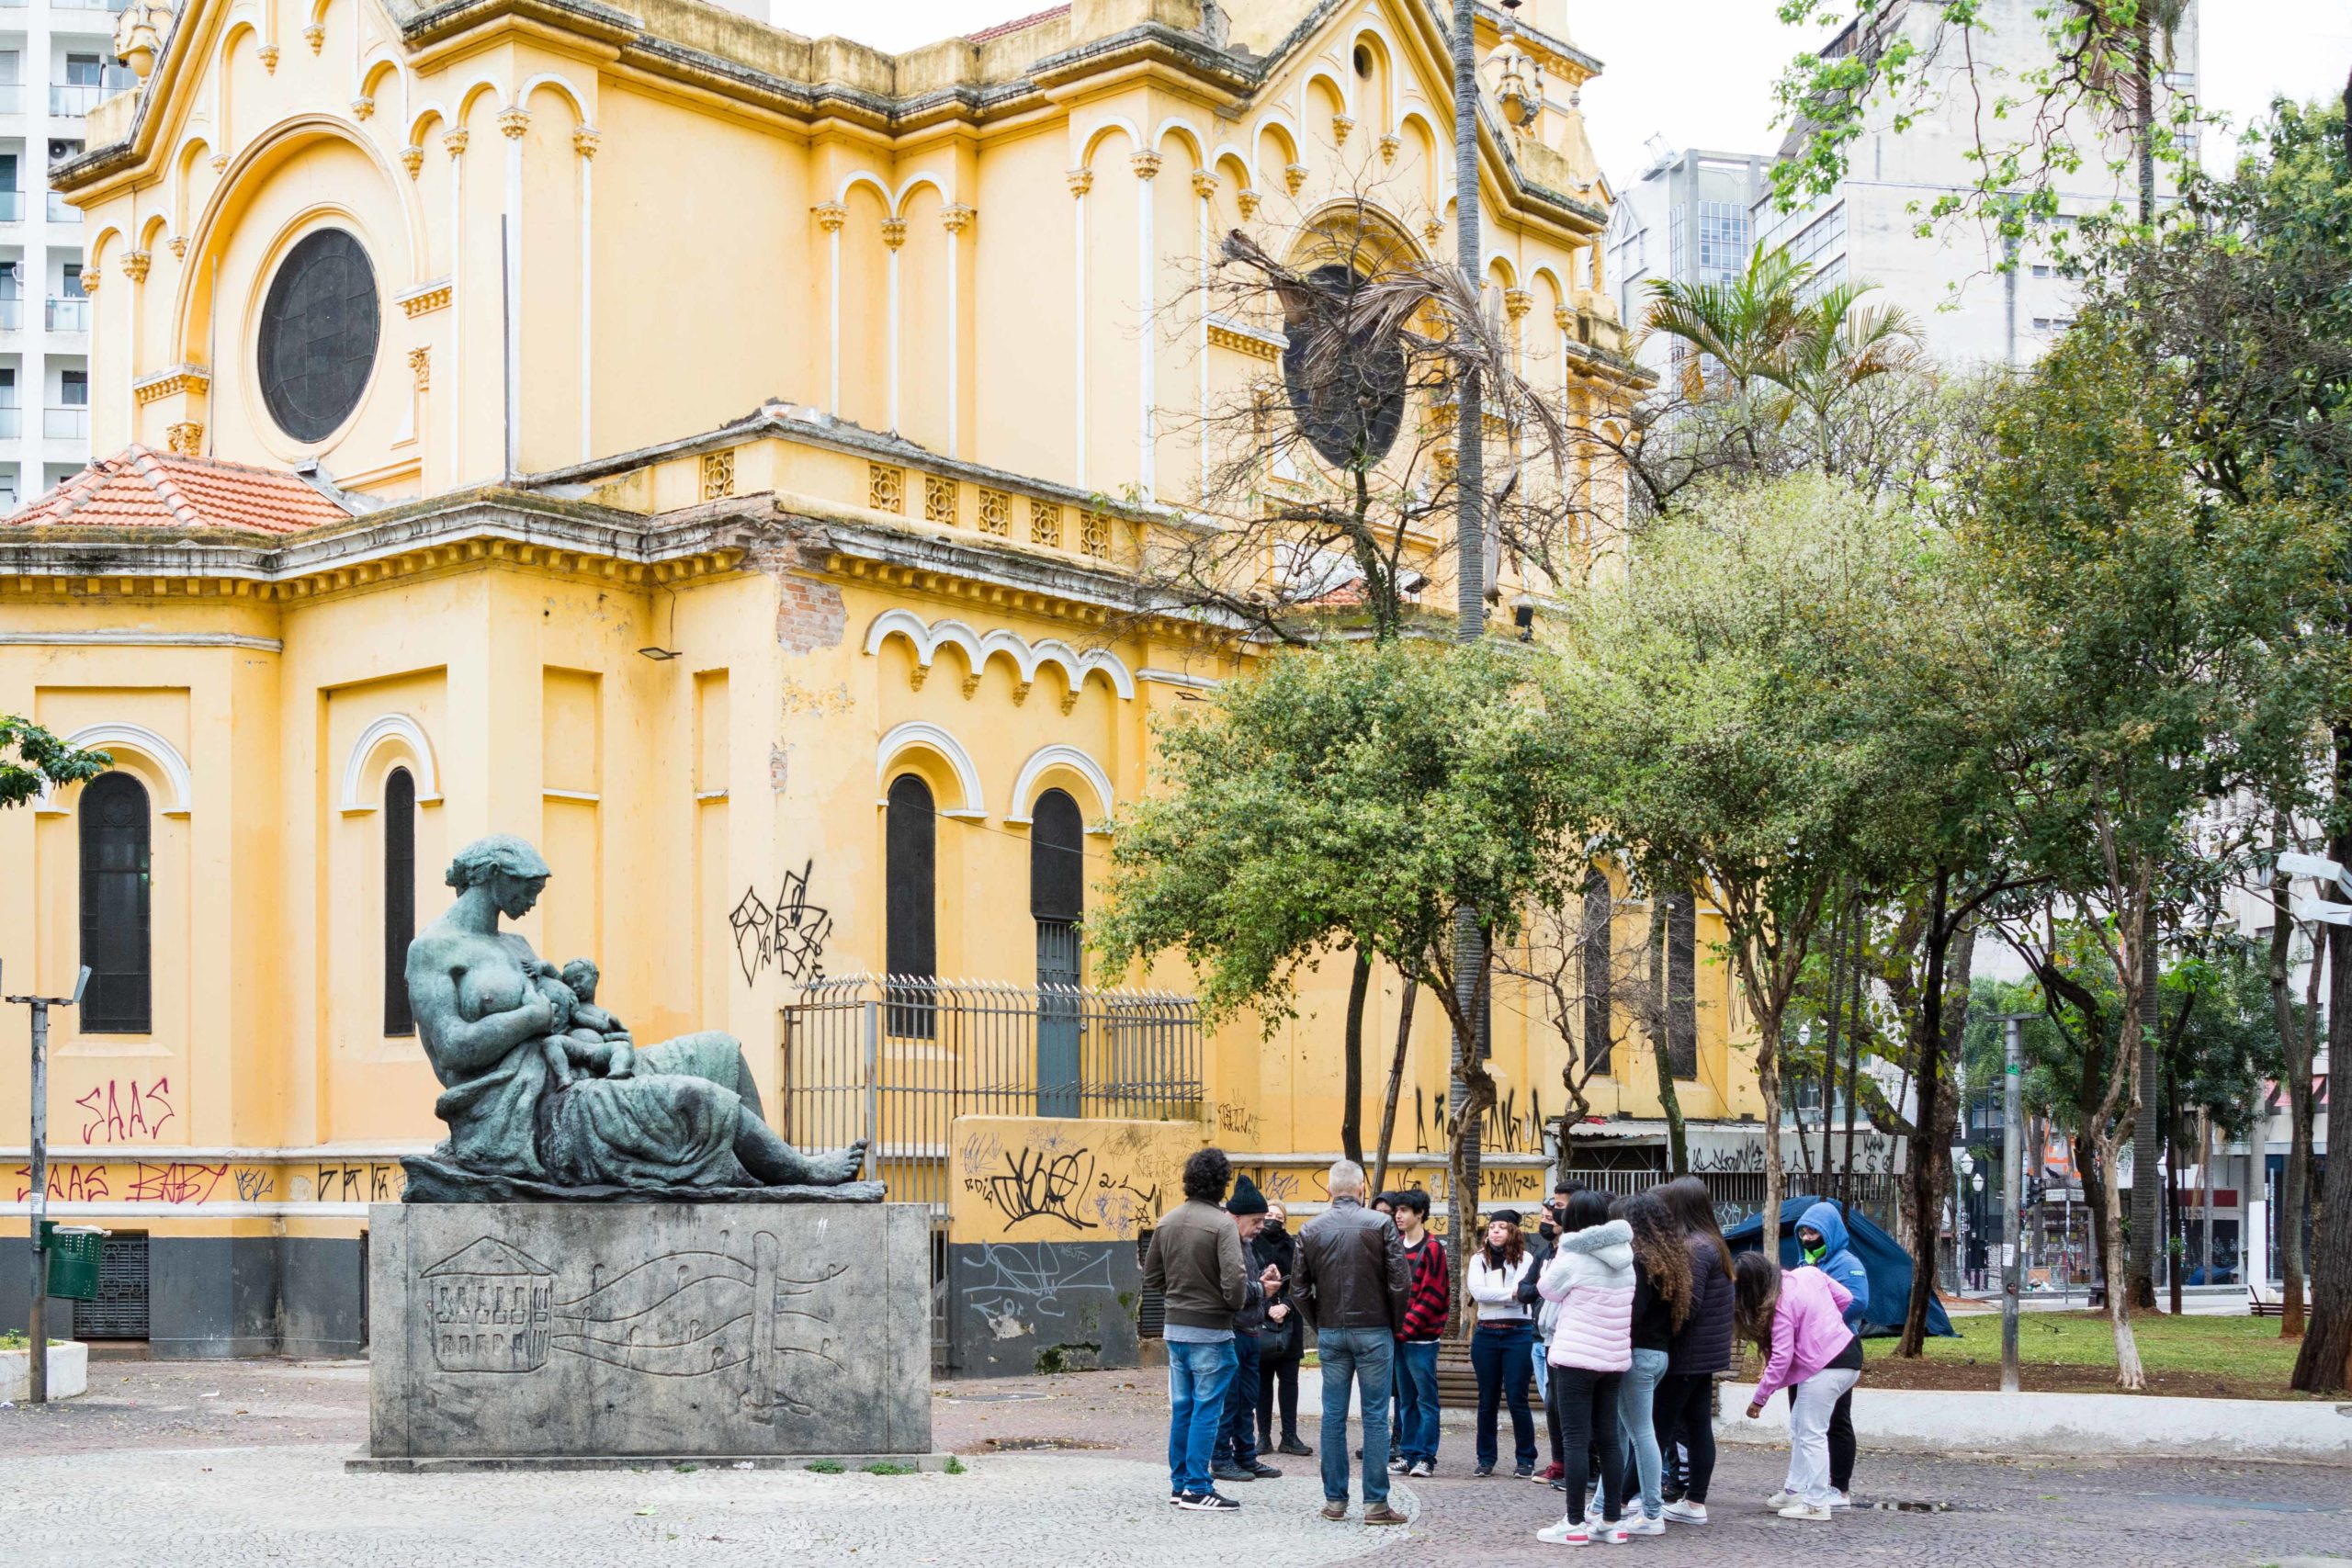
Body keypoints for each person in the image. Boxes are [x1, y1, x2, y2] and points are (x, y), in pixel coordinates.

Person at [1140, 1147, 1272, 1512]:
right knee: (1207, 1409)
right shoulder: (1221, 1225)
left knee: (1183, 1408)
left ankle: (1180, 1483)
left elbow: (1152, 1276)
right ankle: (1198, 1487)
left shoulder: (1167, 1221)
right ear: (1222, 1184)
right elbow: (1234, 1282)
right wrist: (1229, 1303)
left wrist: (1179, 1296)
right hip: (1211, 1330)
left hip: (1175, 1328)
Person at [1292, 1158, 1411, 1526]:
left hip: (1332, 1329)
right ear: (1362, 1188)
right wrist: (1393, 1323)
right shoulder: (1381, 1224)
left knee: (1333, 1416)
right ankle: (1375, 1504)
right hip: (1374, 1328)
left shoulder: (1310, 1229)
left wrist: (1320, 1323)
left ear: (1329, 1189)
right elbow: (1400, 1282)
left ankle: (1335, 1501)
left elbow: (1298, 1290)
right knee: (1375, 1417)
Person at [1533, 1190, 1634, 1546]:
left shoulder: (1572, 1254)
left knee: (1575, 1439)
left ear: (1573, 1219)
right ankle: (1611, 1521)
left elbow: (1546, 1289)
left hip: (1576, 1358)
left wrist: (1561, 1254)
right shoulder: (1626, 1256)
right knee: (1608, 1439)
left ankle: (1574, 1523)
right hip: (1613, 1359)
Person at [1735, 1252, 1861, 1522]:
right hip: (1849, 1356)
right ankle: (1794, 1490)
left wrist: (1759, 1399)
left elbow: (1782, 1357)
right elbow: (1846, 1298)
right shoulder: (1809, 1273)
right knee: (1800, 1426)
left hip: (1825, 1367)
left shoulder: (1779, 1306)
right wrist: (1824, 1326)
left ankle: (1816, 1503)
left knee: (1812, 1433)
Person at [1655, 1176, 1736, 1526]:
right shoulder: (1713, 1243)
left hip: (1686, 1355)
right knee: (1698, 1426)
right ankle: (1694, 1501)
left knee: (1657, 1428)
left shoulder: (1694, 1248)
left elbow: (1687, 1305)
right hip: (1704, 1355)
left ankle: (1633, 1501)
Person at [1613, 1190, 1693, 1538]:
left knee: (1640, 1435)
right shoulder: (1670, 1260)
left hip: (1638, 1355)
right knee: (1634, 1433)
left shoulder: (1639, 1261)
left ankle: (1650, 1512)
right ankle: (1606, 1506)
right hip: (1659, 1354)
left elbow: (1632, 1314)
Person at [1796, 1201, 1871, 1510]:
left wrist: (1824, 1322)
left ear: (1829, 1233)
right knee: (1802, 1422)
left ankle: (1839, 1488)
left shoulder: (1846, 1263)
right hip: (1806, 1352)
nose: (1807, 1238)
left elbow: (1858, 1301)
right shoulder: (1805, 1264)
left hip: (1837, 1351)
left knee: (1836, 1420)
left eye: (1813, 1233)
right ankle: (1802, 1485)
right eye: (1803, 1232)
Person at [1211, 1175, 1284, 1486]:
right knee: (1230, 1400)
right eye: (1256, 1221)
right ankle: (1221, 1457)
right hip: (1233, 1332)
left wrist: (1264, 1278)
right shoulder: (1226, 1244)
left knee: (1247, 1399)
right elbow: (1232, 1292)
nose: (1261, 1227)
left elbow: (1247, 1285)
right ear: (1235, 1217)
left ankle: (1245, 1454)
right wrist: (1261, 1289)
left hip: (1251, 1331)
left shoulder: (1246, 1244)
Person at [1467, 1209, 1539, 1479]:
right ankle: (1485, 1458)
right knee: (1487, 1399)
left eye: (1502, 1227)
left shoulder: (1526, 1259)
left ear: (1513, 1231)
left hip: (1518, 1332)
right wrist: (1510, 1295)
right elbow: (1478, 1292)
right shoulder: (1479, 1259)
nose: (1495, 1231)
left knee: (1517, 1397)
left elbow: (1525, 1293)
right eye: (1492, 1227)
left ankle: (1526, 1459)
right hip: (1486, 1333)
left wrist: (1502, 1296)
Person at [1390, 1189, 1448, 1479]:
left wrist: (1404, 1329)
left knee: (1426, 1400)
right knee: (1406, 1400)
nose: (1398, 1215)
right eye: (1396, 1210)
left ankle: (1426, 1457)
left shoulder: (1433, 1248)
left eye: (1404, 1210)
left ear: (1420, 1213)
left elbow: (1432, 1296)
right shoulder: (1396, 1247)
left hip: (1421, 1340)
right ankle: (1409, 1454)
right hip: (1399, 1338)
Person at [1253, 1200, 1311, 1458]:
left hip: (1290, 1321)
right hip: (1260, 1320)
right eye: (1269, 1215)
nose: (1273, 1220)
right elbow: (1248, 1279)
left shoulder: (1295, 1246)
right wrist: (1267, 1307)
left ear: (1285, 1222)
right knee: (1262, 1383)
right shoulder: (1251, 1245)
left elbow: (1301, 1282)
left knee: (1289, 1382)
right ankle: (1263, 1437)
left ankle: (1290, 1436)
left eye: (1278, 1217)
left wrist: (1286, 1306)